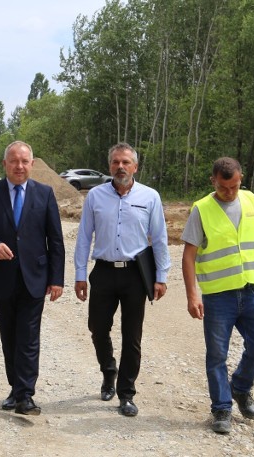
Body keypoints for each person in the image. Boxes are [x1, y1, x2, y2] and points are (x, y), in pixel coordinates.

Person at [181, 157, 254, 434]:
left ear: (241, 178)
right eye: (222, 187)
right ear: (213, 181)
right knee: (217, 354)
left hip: (252, 290)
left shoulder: (252, 201)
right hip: (218, 297)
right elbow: (189, 255)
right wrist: (192, 295)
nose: (229, 192)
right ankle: (221, 408)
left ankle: (240, 388)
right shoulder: (201, 209)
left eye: (233, 186)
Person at [0, 141, 64, 416]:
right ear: (5, 164)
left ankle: (25, 395)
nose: (19, 166)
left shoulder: (44, 194)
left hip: (35, 277)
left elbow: (55, 239)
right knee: (9, 337)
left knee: (29, 337)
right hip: (2, 279)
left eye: (24, 162)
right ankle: (15, 389)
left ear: (32, 164)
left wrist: (57, 279)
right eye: (14, 161)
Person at [74, 142, 171, 417]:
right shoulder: (95, 196)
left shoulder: (150, 196)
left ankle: (126, 394)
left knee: (132, 336)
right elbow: (84, 237)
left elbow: (160, 238)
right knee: (97, 328)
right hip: (103, 271)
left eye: (126, 162)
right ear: (109, 166)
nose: (120, 167)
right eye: (116, 162)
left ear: (135, 167)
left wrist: (161, 276)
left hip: (134, 274)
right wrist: (80, 275)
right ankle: (109, 372)